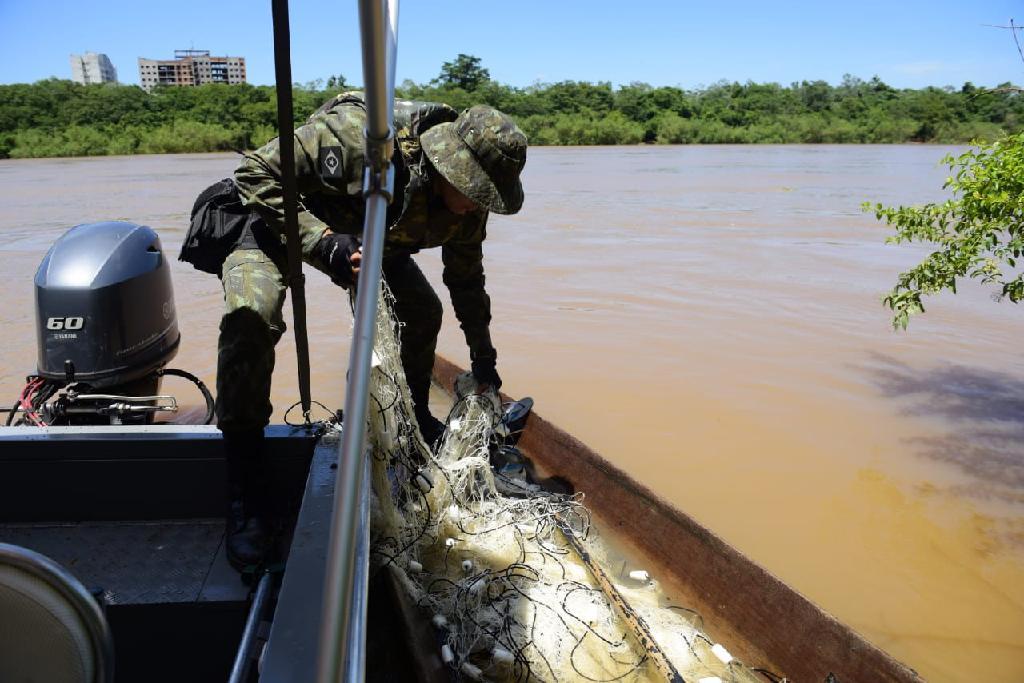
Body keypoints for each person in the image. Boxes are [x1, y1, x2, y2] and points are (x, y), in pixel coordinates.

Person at [182, 94, 527, 569]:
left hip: (367, 235)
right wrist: (322, 244)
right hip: (276, 219)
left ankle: (413, 421)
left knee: (422, 311)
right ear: (448, 166)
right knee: (252, 318)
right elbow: (254, 173)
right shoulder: (358, 139)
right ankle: (246, 488)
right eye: (474, 191)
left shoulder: (466, 209)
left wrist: (484, 359)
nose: (475, 206)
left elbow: (466, 282)